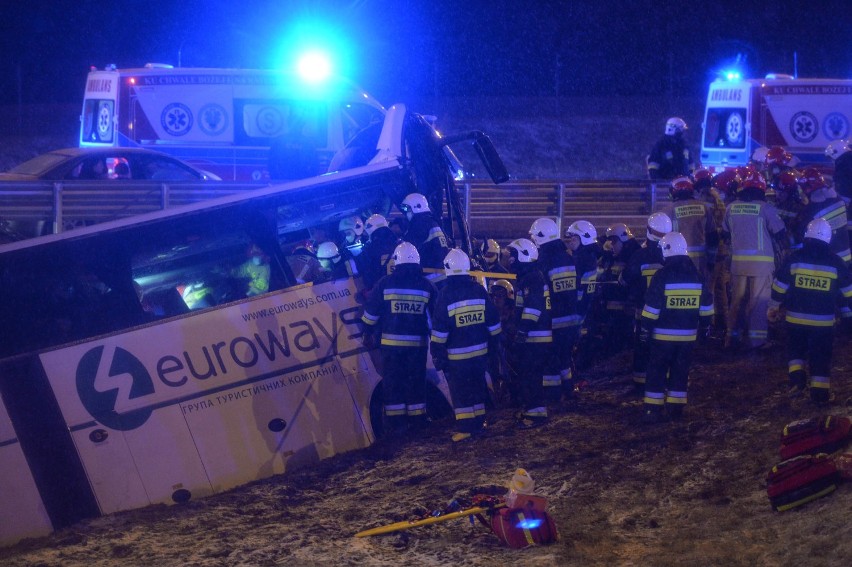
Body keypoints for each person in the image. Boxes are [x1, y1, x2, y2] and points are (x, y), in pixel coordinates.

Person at [769, 218, 852, 404]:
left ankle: (797, 382)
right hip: (823, 324)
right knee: (820, 357)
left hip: (795, 321)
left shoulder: (794, 259)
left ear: (807, 236)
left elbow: (778, 289)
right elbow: (848, 293)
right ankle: (820, 396)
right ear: (828, 239)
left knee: (795, 352)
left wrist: (774, 306)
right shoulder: (836, 262)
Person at [360, 241, 437, 436]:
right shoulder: (426, 285)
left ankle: (397, 426)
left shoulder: (385, 284)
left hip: (391, 347)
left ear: (396, 261)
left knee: (393, 384)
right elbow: (438, 316)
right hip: (417, 346)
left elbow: (371, 314)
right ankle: (418, 422)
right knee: (416, 383)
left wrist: (367, 332)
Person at [640, 231, 714, 423]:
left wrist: (645, 328)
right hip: (688, 338)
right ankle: (675, 409)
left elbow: (652, 307)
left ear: (666, 250)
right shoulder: (696, 275)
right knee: (680, 372)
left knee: (656, 371)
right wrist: (705, 328)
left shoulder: (662, 275)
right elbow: (706, 306)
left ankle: (652, 411)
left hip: (662, 338)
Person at [430, 249, 501, 442]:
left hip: (457, 357)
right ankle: (479, 423)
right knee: (478, 389)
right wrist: (496, 345)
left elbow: (440, 329)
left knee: (461, 394)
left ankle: (467, 428)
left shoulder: (445, 294)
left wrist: (437, 350)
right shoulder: (479, 290)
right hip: (480, 353)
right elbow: (493, 321)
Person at [721, 170, 786, 349]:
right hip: (762, 265)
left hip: (738, 264)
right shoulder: (766, 208)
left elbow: (725, 234)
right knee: (758, 302)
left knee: (736, 301)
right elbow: (780, 233)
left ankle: (731, 338)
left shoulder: (731, 207)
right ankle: (756, 342)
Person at [529, 217, 580, 404]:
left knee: (551, 359)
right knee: (563, 358)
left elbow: (542, 290)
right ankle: (569, 390)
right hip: (570, 318)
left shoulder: (545, 259)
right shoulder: (566, 256)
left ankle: (553, 397)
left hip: (554, 320)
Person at [620, 212, 671, 390]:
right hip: (667, 314)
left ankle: (640, 383)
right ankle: (663, 380)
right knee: (663, 348)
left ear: (648, 230)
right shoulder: (671, 256)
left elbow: (625, 280)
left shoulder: (639, 256)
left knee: (642, 347)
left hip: (643, 313)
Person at [506, 238, 552, 428]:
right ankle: (530, 411)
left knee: (531, 375)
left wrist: (522, 331)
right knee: (528, 374)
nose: (510, 260)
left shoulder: (532, 278)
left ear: (523, 256)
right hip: (533, 338)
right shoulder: (530, 276)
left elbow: (533, 309)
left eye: (513, 255)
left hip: (535, 338)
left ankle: (536, 416)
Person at [657, 176, 717, 282]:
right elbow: (713, 236)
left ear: (673, 192)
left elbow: (661, 239)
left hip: (677, 260)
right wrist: (712, 261)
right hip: (701, 260)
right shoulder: (704, 207)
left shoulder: (668, 211)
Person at [597, 223, 642, 354]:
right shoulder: (614, 256)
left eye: (613, 241)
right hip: (614, 310)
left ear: (623, 240)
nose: (611, 245)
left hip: (627, 311)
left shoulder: (632, 257)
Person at [565, 220, 600, 375]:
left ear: (583, 238)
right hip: (585, 311)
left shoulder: (582, 259)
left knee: (577, 349)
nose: (570, 241)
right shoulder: (587, 257)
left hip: (579, 312)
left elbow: (580, 290)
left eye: (573, 237)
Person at [797, 168, 851, 266]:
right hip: (846, 254)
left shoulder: (813, 208)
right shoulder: (838, 199)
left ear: (808, 187)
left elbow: (802, 232)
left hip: (829, 258)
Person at [400, 192, 450, 282]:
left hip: (430, 276)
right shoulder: (431, 222)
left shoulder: (420, 224)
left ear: (416, 207)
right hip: (441, 274)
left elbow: (408, 246)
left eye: (408, 209)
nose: (406, 212)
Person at [356, 213, 400, 294]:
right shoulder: (400, 244)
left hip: (381, 293)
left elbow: (355, 265)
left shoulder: (371, 249)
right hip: (400, 290)